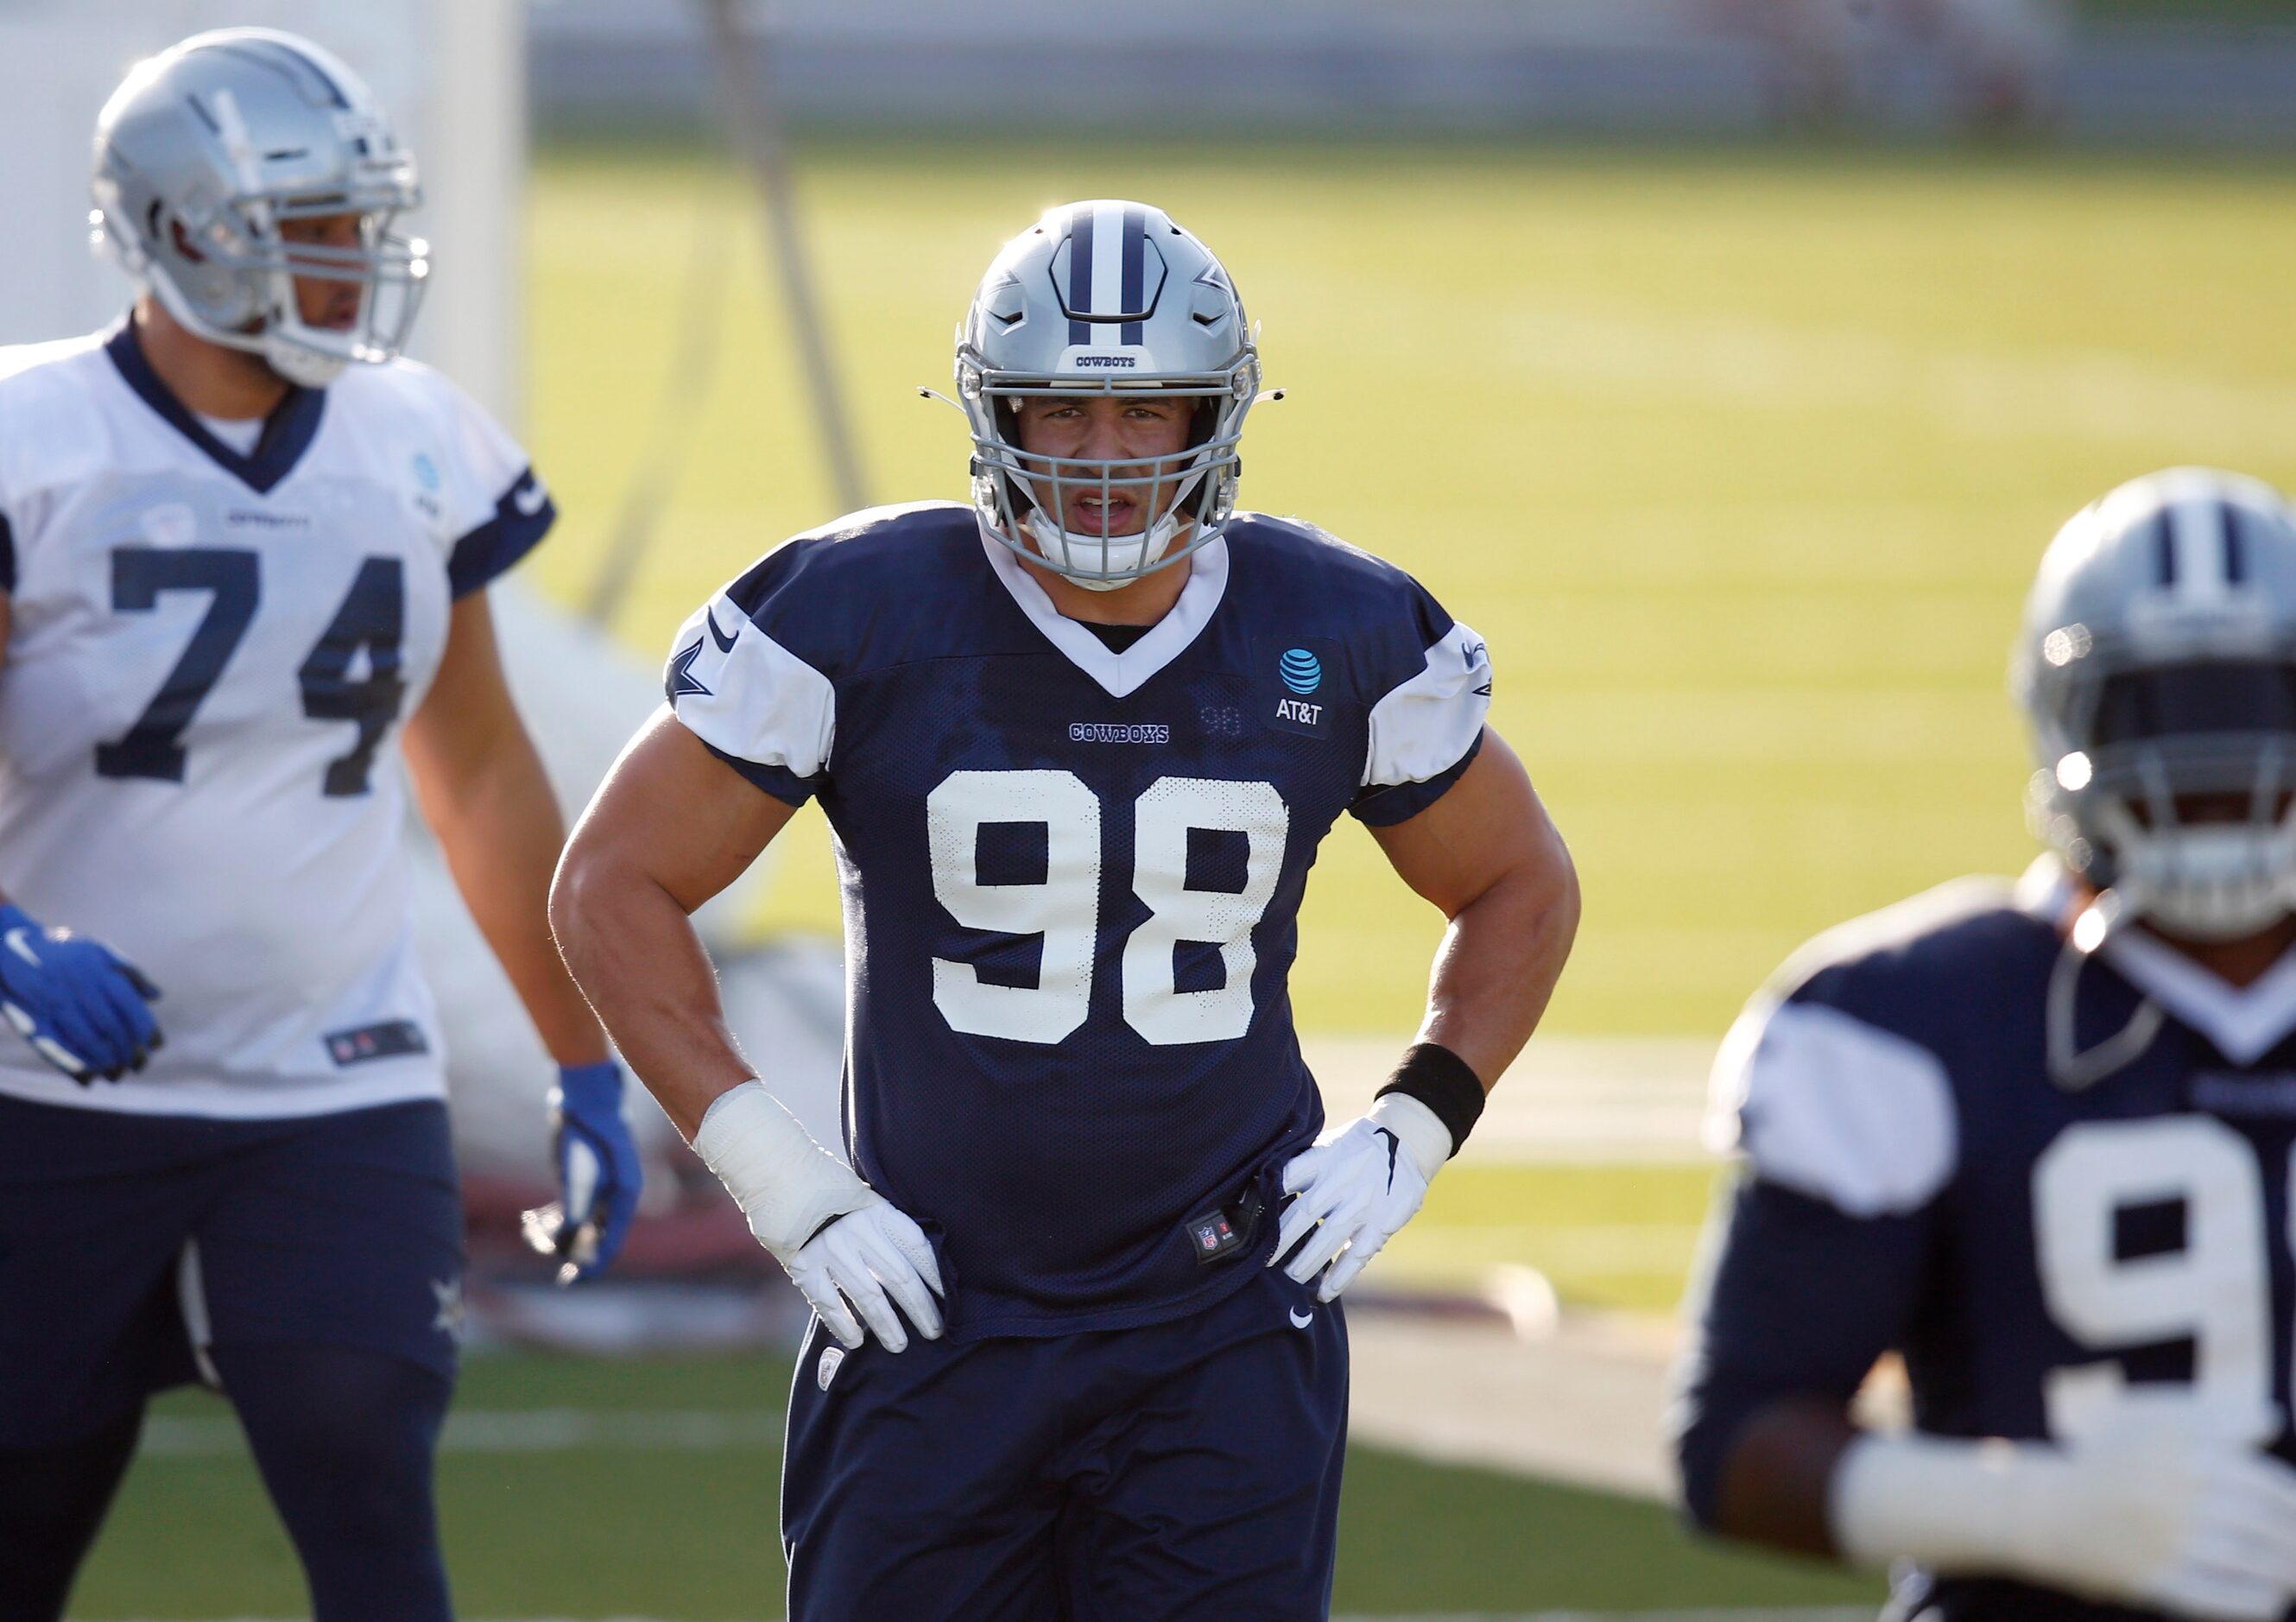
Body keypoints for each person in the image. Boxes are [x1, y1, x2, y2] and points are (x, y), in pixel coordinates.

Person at [552, 198, 1581, 1617]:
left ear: (1215, 417)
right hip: (928, 1302)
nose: (1101, 457)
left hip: (1219, 1313)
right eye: (1059, 410)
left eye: (1145, 413)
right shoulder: (866, 608)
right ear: (991, 412)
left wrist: (1418, 1119)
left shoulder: (1337, 627)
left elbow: (1519, 880)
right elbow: (613, 883)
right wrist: (787, 1188)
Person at [0, 29, 641, 1621]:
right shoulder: (34, 442)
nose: (358, 265)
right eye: (316, 229)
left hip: (333, 1086)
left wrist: (582, 1058)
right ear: (181, 230)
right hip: (44, 1101)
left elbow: (480, 772)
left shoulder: (413, 437)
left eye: (363, 224)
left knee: (371, 1491)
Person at [1673, 467, 2296, 1621]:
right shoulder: (1916, 1019)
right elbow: (1739, 1448)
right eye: (2159, 714)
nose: (2216, 768)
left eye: (2254, 707)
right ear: (2068, 723)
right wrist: (2032, 1510)